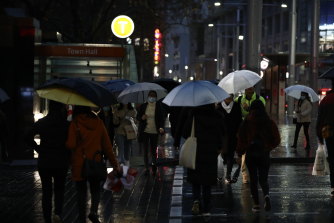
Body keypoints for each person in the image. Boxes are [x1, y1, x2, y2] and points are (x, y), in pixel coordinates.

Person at [66, 106, 121, 223]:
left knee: (81, 192)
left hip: (79, 164)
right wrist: (115, 164)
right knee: (95, 189)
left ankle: (81, 217)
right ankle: (93, 211)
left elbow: (70, 144)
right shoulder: (98, 122)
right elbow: (107, 146)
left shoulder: (75, 123)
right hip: (95, 162)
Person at [174, 104, 227, 217]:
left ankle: (196, 200)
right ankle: (207, 207)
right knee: (207, 182)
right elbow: (222, 133)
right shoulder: (217, 116)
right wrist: (219, 147)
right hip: (210, 152)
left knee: (196, 180)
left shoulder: (193, 115)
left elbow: (185, 132)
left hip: (195, 152)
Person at [24, 100, 70, 223]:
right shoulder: (66, 125)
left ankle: (47, 218)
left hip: (45, 160)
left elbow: (27, 137)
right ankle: (58, 214)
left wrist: (38, 149)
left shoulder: (42, 123)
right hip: (61, 161)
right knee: (60, 190)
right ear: (61, 108)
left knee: (46, 191)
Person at [236, 100, 280, 212]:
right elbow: (277, 139)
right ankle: (266, 196)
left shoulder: (247, 122)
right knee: (263, 179)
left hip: (250, 154)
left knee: (253, 179)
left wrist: (240, 152)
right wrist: (268, 147)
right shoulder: (268, 122)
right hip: (264, 153)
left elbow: (241, 138)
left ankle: (256, 204)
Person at [236, 86, 266, 184]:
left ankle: (257, 174)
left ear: (254, 87)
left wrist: (248, 109)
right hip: (245, 129)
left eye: (251, 87)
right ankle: (245, 177)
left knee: (256, 155)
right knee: (245, 154)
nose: (249, 89)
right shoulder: (239, 99)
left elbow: (261, 112)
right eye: (247, 87)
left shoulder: (259, 99)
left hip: (258, 131)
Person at [137, 90, 166, 175]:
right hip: (145, 131)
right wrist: (142, 118)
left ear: (156, 98)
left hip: (154, 131)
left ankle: (154, 164)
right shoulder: (143, 106)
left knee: (153, 150)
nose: (152, 97)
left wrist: (161, 127)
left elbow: (161, 118)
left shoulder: (159, 106)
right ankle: (146, 167)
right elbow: (138, 117)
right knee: (145, 150)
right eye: (150, 96)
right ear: (148, 97)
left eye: (153, 96)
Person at [216, 94, 243, 184]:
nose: (228, 98)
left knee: (230, 155)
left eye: (230, 96)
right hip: (221, 136)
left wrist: (238, 132)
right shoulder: (219, 107)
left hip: (232, 135)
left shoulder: (236, 106)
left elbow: (239, 120)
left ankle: (228, 175)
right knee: (221, 155)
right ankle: (220, 175)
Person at [316, 90, 334, 196]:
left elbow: (320, 119)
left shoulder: (325, 100)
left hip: (329, 133)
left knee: (332, 159)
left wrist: (320, 137)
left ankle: (333, 186)